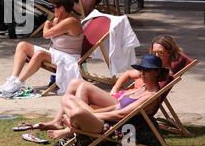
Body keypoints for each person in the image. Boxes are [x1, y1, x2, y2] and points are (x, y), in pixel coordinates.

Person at [39, 35, 182, 132]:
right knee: (69, 93)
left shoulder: (160, 77)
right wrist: (115, 89)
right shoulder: (147, 72)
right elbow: (126, 77)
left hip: (125, 109)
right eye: (154, 52)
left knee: (79, 98)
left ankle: (73, 127)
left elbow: (124, 112)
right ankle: (62, 121)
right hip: (122, 99)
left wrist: (92, 114)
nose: (156, 55)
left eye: (160, 53)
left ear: (169, 53)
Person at [39, 54, 169, 139]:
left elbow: (120, 115)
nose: (142, 73)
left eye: (147, 70)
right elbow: (115, 106)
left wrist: (90, 115)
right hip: (102, 119)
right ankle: (73, 126)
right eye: (141, 70)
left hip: (108, 126)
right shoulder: (142, 87)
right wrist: (90, 112)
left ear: (157, 72)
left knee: (77, 112)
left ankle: (72, 129)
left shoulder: (151, 96)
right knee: (66, 98)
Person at [0, 0, 84, 94]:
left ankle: (19, 83)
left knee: (40, 54)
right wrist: (55, 22)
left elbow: (46, 34)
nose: (53, 10)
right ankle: (13, 79)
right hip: (57, 54)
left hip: (69, 58)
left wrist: (47, 23)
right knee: (22, 45)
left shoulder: (71, 21)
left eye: (54, 7)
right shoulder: (62, 19)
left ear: (61, 8)